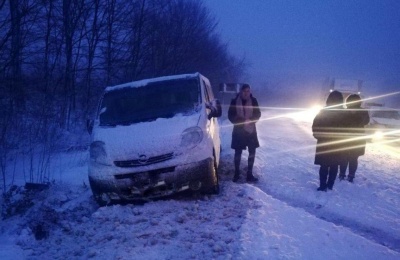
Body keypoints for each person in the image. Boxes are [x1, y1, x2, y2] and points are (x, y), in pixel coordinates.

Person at [312, 91, 345, 191]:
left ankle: (322, 186)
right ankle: (330, 185)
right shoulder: (344, 113)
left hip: (324, 142)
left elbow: (315, 125)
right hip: (338, 143)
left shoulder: (323, 111)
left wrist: (318, 136)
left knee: (324, 165)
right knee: (334, 165)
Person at [228, 84, 261, 183]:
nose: (246, 93)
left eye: (248, 91)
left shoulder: (253, 100)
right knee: (238, 152)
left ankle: (249, 174)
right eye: (244, 91)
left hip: (251, 130)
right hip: (238, 130)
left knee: (252, 152)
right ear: (241, 91)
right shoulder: (234, 101)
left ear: (250, 91)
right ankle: (236, 173)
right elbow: (230, 115)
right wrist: (237, 120)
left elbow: (258, 113)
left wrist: (251, 120)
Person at [339, 94, 370, 182]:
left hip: (345, 138)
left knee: (344, 157)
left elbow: (341, 124)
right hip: (358, 138)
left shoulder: (344, 111)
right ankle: (351, 176)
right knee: (353, 158)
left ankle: (342, 175)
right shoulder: (363, 112)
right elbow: (366, 122)